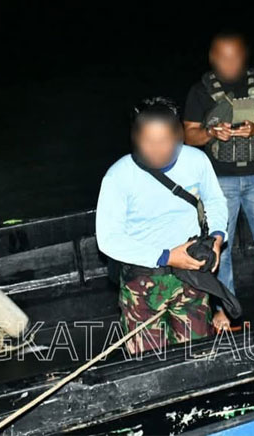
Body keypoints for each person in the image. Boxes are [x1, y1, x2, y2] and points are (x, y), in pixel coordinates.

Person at [95, 97, 229, 353]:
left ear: (179, 135)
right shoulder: (118, 176)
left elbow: (215, 201)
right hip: (143, 281)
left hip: (191, 276)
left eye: (165, 140)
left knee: (199, 353)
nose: (156, 149)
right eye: (148, 140)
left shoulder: (197, 161)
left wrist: (216, 239)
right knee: (150, 361)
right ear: (134, 137)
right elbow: (108, 239)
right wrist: (166, 256)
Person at [183, 31, 254, 329]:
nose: (230, 63)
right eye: (223, 57)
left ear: (245, 56)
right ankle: (222, 311)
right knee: (220, 248)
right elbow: (188, 135)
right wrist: (211, 133)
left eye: (236, 57)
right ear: (212, 58)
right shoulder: (200, 91)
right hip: (219, 182)